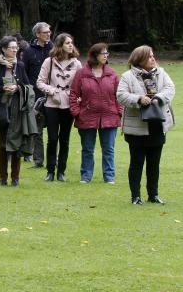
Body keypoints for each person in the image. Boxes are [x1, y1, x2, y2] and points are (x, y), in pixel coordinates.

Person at [117, 46, 176, 205]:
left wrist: (158, 97)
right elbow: (121, 95)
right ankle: (135, 196)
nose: (153, 58)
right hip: (136, 128)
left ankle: (153, 195)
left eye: (153, 55)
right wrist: (138, 99)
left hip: (157, 124)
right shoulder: (128, 76)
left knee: (154, 164)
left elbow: (170, 89)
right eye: (149, 56)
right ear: (140, 59)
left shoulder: (161, 72)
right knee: (136, 163)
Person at [70, 43, 122, 185]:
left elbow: (120, 95)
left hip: (110, 116)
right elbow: (73, 93)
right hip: (87, 116)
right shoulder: (82, 73)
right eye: (103, 53)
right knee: (87, 149)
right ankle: (86, 176)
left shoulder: (112, 73)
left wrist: (119, 112)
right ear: (94, 55)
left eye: (107, 54)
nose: (106, 56)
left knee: (109, 149)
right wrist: (76, 112)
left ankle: (109, 176)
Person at [0, 36, 32, 187]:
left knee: (16, 144)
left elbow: (28, 86)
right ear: (4, 49)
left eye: (16, 47)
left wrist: (17, 88)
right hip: (1, 110)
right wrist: (2, 89)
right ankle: (3, 178)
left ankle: (15, 178)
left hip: (17, 110)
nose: (15, 49)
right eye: (12, 47)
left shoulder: (21, 65)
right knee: (3, 145)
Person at [36, 33, 82, 182]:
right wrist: (53, 91)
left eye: (71, 42)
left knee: (65, 139)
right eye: (67, 43)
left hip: (69, 105)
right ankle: (50, 171)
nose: (70, 45)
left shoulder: (77, 64)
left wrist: (74, 96)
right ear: (60, 45)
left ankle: (61, 171)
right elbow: (40, 82)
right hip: (52, 104)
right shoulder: (49, 61)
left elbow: (81, 84)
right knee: (52, 138)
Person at [22, 22, 53, 168]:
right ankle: (38, 160)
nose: (48, 34)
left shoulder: (54, 49)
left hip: (53, 95)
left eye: (49, 31)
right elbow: (24, 73)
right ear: (38, 34)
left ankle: (53, 160)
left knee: (53, 130)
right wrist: (29, 92)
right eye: (45, 32)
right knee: (37, 130)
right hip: (35, 96)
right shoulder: (29, 51)